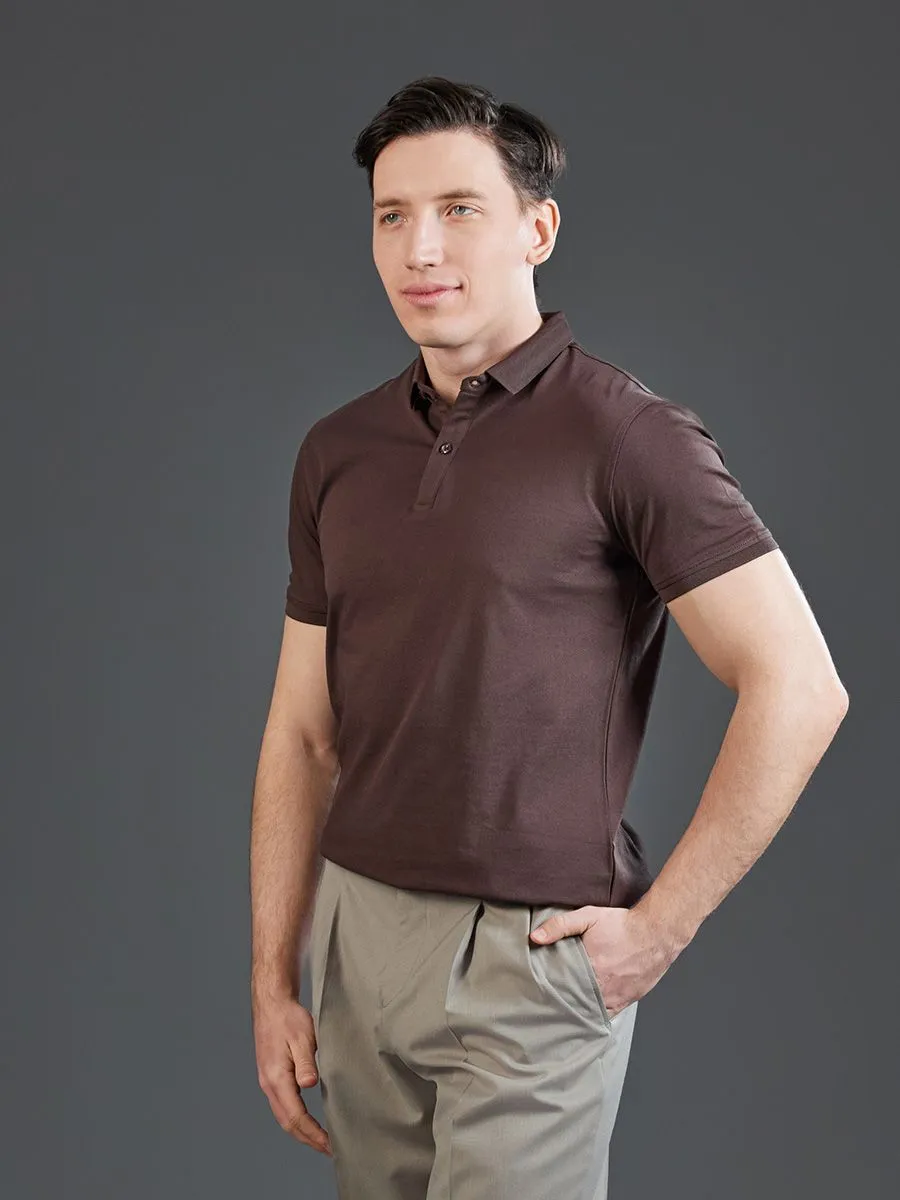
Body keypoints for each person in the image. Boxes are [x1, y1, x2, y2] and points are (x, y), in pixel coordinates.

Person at [249, 76, 849, 1199]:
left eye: (459, 209)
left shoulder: (627, 436)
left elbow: (801, 687)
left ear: (538, 229)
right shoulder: (337, 451)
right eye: (392, 215)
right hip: (357, 935)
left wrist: (659, 931)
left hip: (526, 962)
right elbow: (301, 734)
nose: (421, 248)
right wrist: (272, 978)